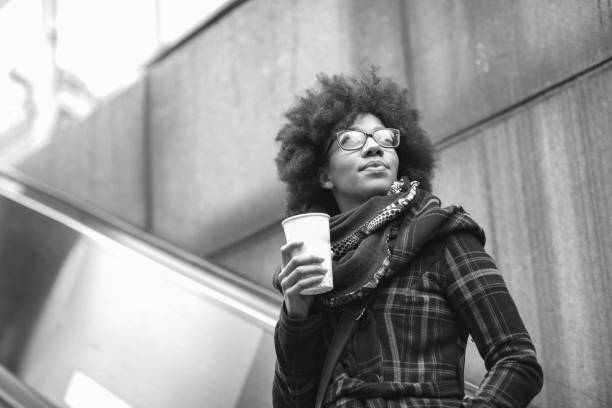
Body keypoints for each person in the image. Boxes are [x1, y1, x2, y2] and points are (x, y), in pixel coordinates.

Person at [272, 68, 543, 408]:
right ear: (324, 175)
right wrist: (297, 314)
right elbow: (292, 403)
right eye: (351, 140)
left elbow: (516, 359)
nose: (374, 148)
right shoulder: (317, 266)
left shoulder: (442, 235)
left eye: (384, 138)